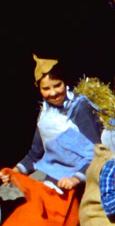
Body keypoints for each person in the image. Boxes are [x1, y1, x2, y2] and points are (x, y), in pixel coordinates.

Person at [3, 56, 103, 193]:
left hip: (85, 176)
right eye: (46, 88)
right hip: (57, 175)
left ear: (65, 83)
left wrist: (76, 179)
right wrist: (16, 171)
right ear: (38, 89)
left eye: (57, 85)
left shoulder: (79, 108)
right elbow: (35, 154)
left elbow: (97, 152)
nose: (54, 93)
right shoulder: (45, 113)